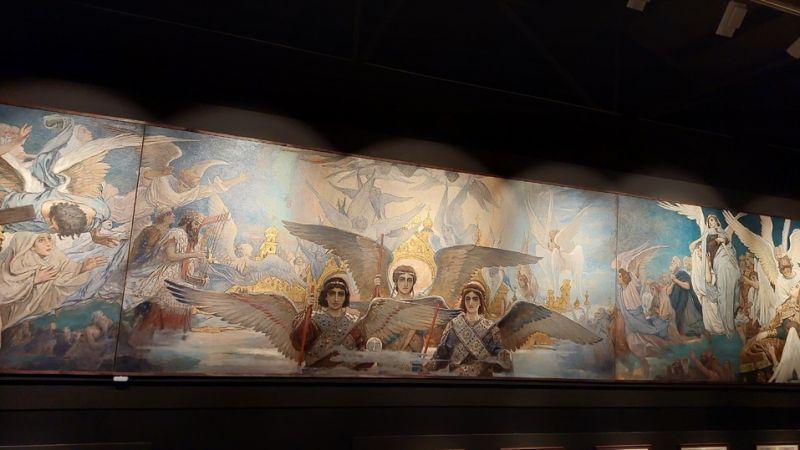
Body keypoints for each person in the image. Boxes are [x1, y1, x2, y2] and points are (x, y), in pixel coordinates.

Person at [0, 232, 105, 348]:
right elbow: (4, 293)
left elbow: (65, 273)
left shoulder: (54, 258)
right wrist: (33, 280)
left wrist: (82, 268)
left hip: (27, 312)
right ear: (30, 245)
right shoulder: (14, 265)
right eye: (41, 240)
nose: (48, 243)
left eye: (49, 238)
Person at [427, 281, 512, 376]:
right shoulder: (453, 325)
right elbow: (441, 355)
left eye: (475, 299)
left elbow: (497, 355)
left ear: (481, 301)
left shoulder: (491, 328)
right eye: (467, 299)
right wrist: (426, 367)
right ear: (464, 301)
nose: (471, 303)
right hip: (456, 379)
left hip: (484, 380)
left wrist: (503, 357)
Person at [290, 276, 367, 368]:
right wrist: (307, 314)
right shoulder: (313, 320)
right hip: (315, 372)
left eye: (340, 294)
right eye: (332, 293)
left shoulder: (353, 322)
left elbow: (363, 352)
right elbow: (298, 343)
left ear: (345, 297)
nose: (336, 299)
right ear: (325, 296)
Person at [695, 214, 740, 336]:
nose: (711, 223)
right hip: (715, 261)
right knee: (722, 290)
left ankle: (731, 319)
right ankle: (724, 323)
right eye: (709, 221)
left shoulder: (722, 232)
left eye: (712, 220)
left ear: (716, 221)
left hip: (725, 258)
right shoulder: (707, 234)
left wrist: (724, 240)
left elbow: (729, 246)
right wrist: (716, 241)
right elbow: (708, 247)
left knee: (731, 287)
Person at [666, 256, 704, 337]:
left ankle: (697, 332)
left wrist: (676, 280)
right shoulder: (673, 276)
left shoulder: (682, 273)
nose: (671, 263)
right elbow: (668, 292)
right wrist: (673, 282)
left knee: (691, 320)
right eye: (671, 261)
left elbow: (687, 286)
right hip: (678, 304)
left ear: (678, 264)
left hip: (686, 302)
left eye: (673, 261)